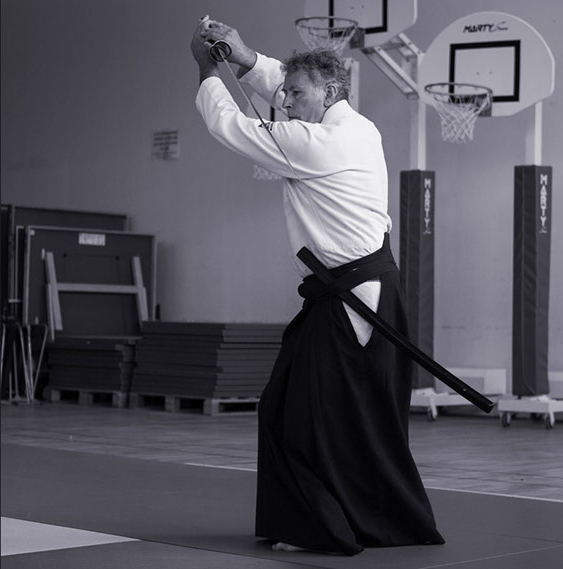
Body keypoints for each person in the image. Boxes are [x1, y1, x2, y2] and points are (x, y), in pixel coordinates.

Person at [190, 16, 445, 556]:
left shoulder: (318, 142)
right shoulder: (357, 126)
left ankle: (324, 528)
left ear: (329, 94)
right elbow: (288, 84)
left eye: (296, 95)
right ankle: (358, 521)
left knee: (304, 412)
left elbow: (229, 126)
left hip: (352, 300)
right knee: (324, 410)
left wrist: (208, 69)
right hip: (357, 294)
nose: (284, 101)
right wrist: (244, 57)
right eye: (284, 92)